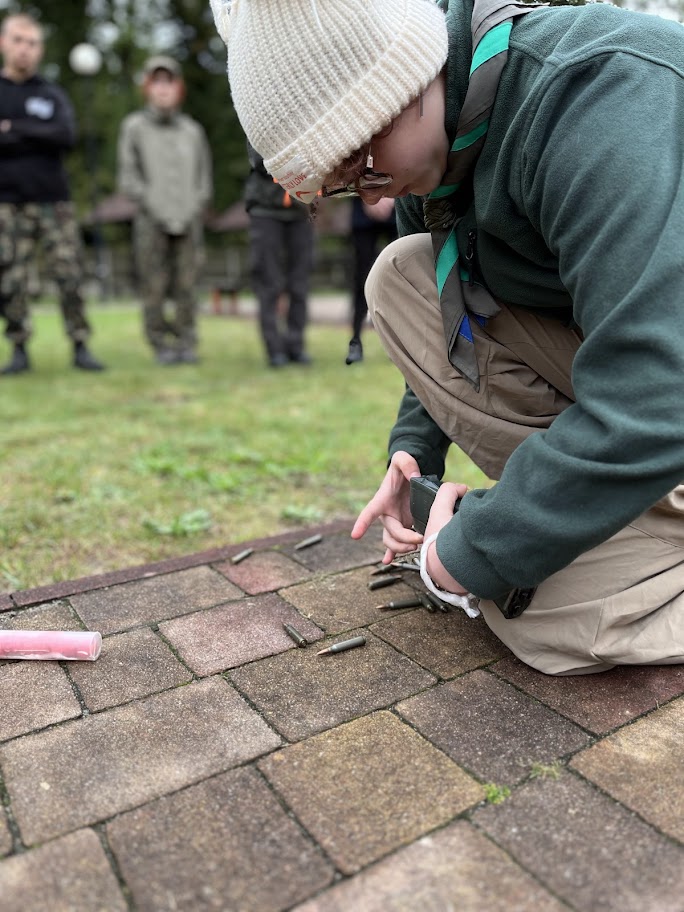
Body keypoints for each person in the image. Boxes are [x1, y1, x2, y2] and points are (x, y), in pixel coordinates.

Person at [210, 0, 684, 675]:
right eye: (343, 186)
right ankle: (625, 521)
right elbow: (447, 301)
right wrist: (414, 450)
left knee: (546, 624)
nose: (373, 198)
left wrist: (466, 556)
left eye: (362, 161)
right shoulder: (440, 151)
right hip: (655, 389)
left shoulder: (595, 95)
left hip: (666, 389)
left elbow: (658, 393)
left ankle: (619, 532)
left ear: (399, 78)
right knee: (398, 275)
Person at [0, 12, 105, 375]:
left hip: (53, 201)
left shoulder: (51, 93)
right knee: (10, 279)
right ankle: (18, 349)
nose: (25, 49)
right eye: (18, 40)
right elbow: (48, 135)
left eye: (32, 43)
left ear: (40, 49)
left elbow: (64, 136)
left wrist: (13, 129)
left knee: (69, 274)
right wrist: (36, 132)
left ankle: (80, 344)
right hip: (6, 204)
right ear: (3, 43)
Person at [117, 56, 212, 364]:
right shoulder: (134, 127)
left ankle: (186, 343)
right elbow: (128, 177)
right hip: (150, 220)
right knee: (153, 286)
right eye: (156, 81)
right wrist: (153, 203)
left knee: (188, 285)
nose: (163, 88)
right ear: (147, 88)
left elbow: (203, 177)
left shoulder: (192, 131)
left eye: (168, 81)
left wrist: (194, 205)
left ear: (178, 88)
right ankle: (160, 344)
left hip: (189, 220)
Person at [244, 141, 314, 367]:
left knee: (299, 282)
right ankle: (274, 349)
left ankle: (296, 346)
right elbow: (260, 161)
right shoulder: (260, 115)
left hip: (300, 209)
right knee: (269, 282)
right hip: (265, 209)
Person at [345, 195, 397, 364]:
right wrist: (367, 196)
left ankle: (401, 345)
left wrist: (395, 194)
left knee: (402, 279)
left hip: (399, 202)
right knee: (361, 279)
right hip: (362, 208)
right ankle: (355, 341)